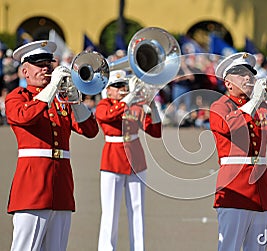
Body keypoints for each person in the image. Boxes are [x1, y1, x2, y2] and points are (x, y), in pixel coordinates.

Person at [5, 40, 99, 250]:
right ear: (25, 71)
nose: (46, 68)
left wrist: (76, 102)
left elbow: (91, 131)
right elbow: (24, 117)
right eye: (39, 64)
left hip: (61, 186)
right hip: (33, 187)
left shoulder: (60, 100)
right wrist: (53, 88)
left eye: (49, 63)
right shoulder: (18, 97)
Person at [209, 52, 267, 251]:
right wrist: (256, 101)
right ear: (228, 83)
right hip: (235, 189)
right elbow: (229, 127)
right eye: (241, 74)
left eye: (250, 74)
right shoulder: (220, 106)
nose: (247, 78)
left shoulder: (262, 107)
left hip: (261, 190)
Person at [95, 70, 162, 251]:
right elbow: (108, 116)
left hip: (136, 160)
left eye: (123, 86)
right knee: (110, 212)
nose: (122, 89)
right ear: (108, 90)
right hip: (112, 160)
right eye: (117, 86)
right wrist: (131, 96)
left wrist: (152, 105)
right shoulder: (103, 104)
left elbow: (155, 131)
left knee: (137, 211)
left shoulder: (135, 105)